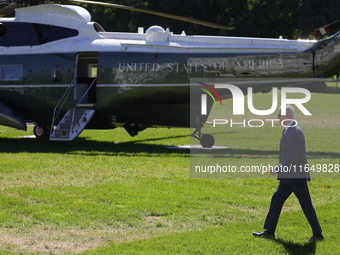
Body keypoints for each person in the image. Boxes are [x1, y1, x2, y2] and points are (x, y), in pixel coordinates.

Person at [253, 105, 323, 241]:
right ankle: (269, 232)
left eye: (279, 115)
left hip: (296, 177)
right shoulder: (288, 130)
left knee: (306, 205)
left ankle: (318, 235)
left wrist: (277, 168)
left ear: (288, 116)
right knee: (276, 200)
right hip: (288, 178)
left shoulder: (295, 131)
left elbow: (292, 157)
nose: (277, 118)